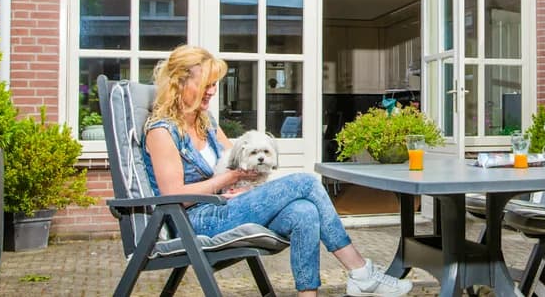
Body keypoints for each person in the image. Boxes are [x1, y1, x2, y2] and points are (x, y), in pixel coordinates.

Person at [142, 45, 413, 297]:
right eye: (206, 84)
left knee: (305, 212)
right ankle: (360, 271)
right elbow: (174, 195)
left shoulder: (206, 122)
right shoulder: (162, 131)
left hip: (226, 206)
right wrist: (231, 178)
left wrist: (241, 183)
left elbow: (233, 159)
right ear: (179, 82)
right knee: (306, 182)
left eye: (214, 84)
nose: (212, 91)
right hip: (195, 221)